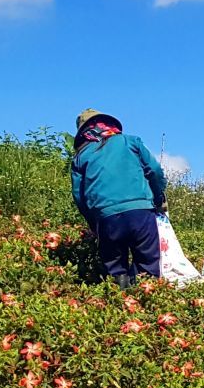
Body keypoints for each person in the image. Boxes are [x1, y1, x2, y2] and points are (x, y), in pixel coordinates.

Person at [69, 108, 167, 288]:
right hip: (140, 212)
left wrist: (94, 224)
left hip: (106, 217)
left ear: (83, 132)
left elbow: (79, 197)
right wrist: (158, 198)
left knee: (115, 269)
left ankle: (121, 304)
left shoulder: (81, 157)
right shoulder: (130, 142)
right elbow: (155, 171)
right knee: (147, 265)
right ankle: (146, 306)